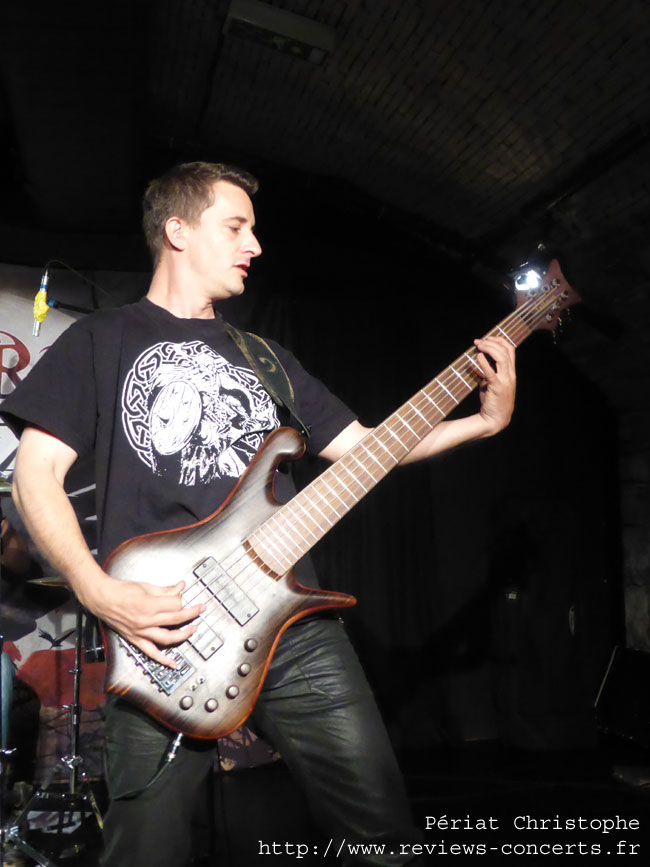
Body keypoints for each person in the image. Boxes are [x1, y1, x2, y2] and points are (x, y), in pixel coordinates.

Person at [0, 162, 516, 866]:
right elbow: (36, 474)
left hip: (292, 626)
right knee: (144, 851)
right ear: (178, 230)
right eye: (236, 227)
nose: (255, 245)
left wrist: (482, 423)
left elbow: (366, 448)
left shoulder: (266, 357)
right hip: (164, 631)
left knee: (381, 840)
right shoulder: (100, 340)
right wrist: (96, 590)